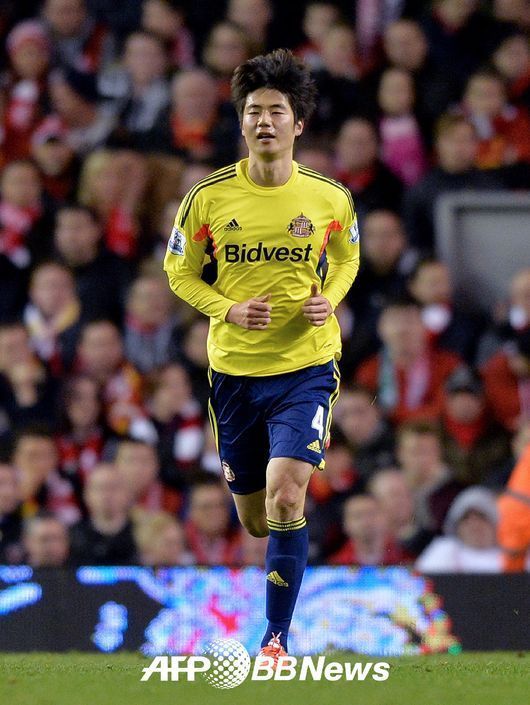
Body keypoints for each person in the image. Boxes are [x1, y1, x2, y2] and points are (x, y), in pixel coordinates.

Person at [163, 49, 359, 663]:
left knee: (286, 494)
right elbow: (178, 271)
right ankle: (281, 555)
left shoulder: (329, 198)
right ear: (241, 121)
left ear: (298, 123)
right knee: (255, 518)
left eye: (276, 111)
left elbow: (347, 257)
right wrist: (225, 308)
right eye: (253, 111)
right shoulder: (207, 198)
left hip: (306, 367)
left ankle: (275, 640)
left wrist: (330, 297)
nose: (264, 121)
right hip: (235, 374)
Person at [416, 487, 502, 573]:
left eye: (481, 517)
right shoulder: (444, 550)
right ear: (457, 527)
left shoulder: (506, 555)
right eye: (466, 518)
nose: (475, 525)